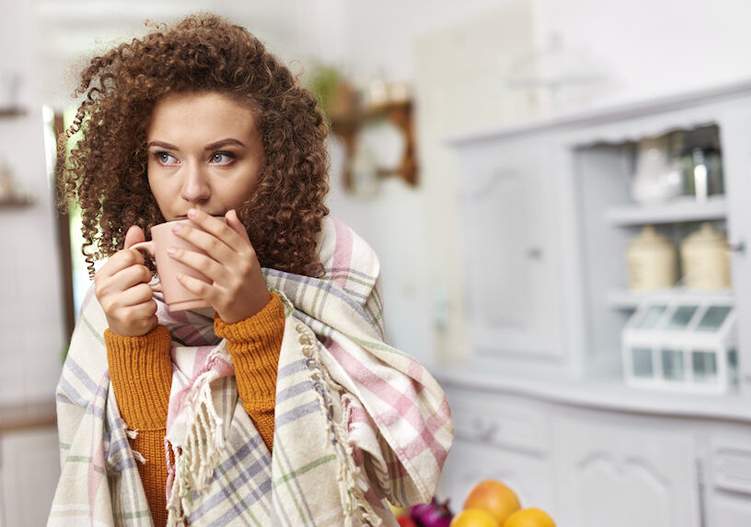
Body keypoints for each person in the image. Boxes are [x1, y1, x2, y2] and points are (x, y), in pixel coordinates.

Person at [49, 12, 453, 527]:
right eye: (166, 157)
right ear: (138, 164)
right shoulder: (115, 299)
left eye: (222, 156)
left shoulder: (339, 270)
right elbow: (145, 506)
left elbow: (330, 498)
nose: (191, 189)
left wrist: (254, 320)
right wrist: (133, 342)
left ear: (272, 163)